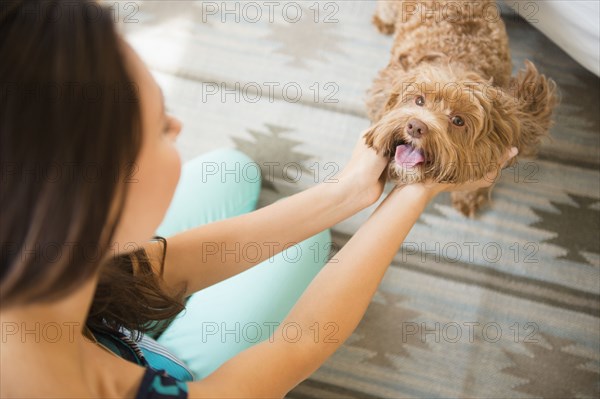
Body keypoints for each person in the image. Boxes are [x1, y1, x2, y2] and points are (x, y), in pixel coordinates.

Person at [0, 1, 518, 398]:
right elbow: (300, 344)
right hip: (171, 374)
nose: (179, 126)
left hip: (95, 316)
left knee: (231, 168)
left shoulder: (30, 241)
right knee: (310, 245)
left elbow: (147, 271)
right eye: (161, 127)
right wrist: (417, 191)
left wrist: (347, 191)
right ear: (86, 199)